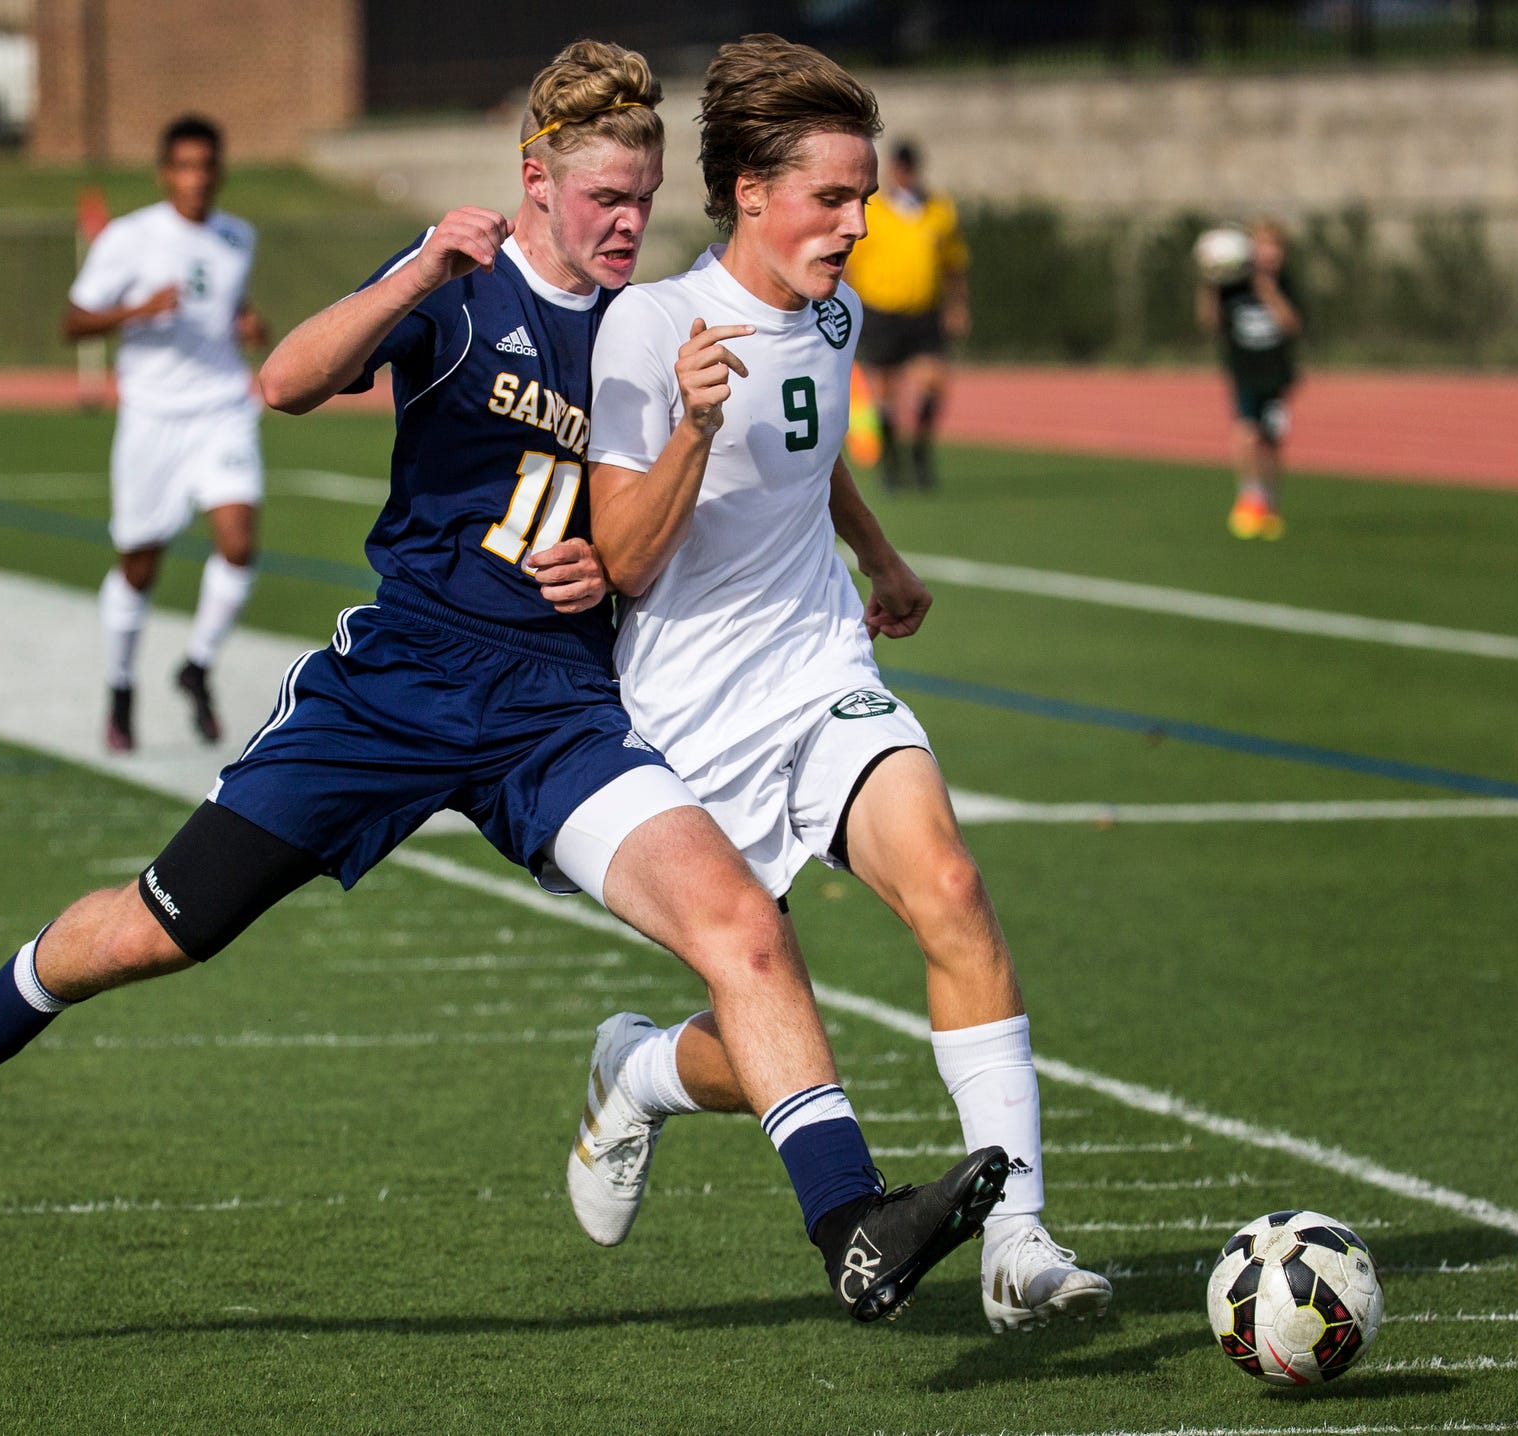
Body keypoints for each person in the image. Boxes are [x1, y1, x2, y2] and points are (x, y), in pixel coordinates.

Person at [0, 40, 1004, 1327]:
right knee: (158, 929)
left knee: (745, 930)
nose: (627, 222)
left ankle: (849, 1224)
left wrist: (644, 562)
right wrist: (416, 270)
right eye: (604, 196)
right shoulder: (460, 285)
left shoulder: (656, 319)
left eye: (644, 194)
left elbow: (725, 475)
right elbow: (282, 382)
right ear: (535, 182)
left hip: (558, 713)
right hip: (394, 687)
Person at [567, 33, 1112, 1335]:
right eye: (832, 197)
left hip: (821, 670)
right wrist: (693, 423)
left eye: (864, 196)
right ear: (750, 190)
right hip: (688, 717)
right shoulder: (648, 327)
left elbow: (809, 448)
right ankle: (636, 1072)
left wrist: (877, 552)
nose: (859, 223)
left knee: (951, 885)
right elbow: (625, 560)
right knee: (761, 1034)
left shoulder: (832, 309)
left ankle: (1017, 1239)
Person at [65, 115, 271, 751]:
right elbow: (73, 322)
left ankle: (197, 664)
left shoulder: (238, 236)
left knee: (238, 544)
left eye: (206, 167)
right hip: (152, 418)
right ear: (164, 173)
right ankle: (121, 687)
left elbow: (219, 298)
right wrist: (137, 310)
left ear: (219, 172)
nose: (196, 179)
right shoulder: (130, 238)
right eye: (183, 166)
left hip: (221, 409)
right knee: (140, 563)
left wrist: (245, 322)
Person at [839, 139, 970, 492]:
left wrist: (957, 305)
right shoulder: (874, 211)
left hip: (925, 311)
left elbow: (953, 264)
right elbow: (850, 264)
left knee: (933, 382)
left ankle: (920, 451)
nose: (906, 174)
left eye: (911, 167)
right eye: (901, 167)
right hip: (882, 310)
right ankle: (892, 461)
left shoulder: (939, 209)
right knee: (885, 391)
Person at [1196, 218, 1303, 541]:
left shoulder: (1285, 283)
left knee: (1271, 441)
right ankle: (1249, 498)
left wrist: (1268, 290)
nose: (1268, 254)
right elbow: (1209, 322)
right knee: (1246, 433)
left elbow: (1292, 324)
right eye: (1262, 247)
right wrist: (1209, 284)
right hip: (1244, 371)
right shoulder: (1233, 285)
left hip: (1276, 373)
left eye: (1274, 248)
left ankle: (1269, 503)